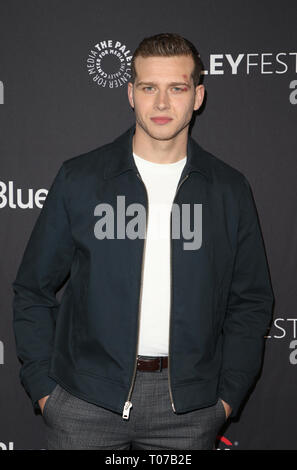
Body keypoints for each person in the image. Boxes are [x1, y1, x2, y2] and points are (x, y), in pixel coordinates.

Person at [12, 33, 274, 450]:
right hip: (84, 402)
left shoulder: (228, 190)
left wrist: (226, 399)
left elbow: (251, 301)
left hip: (189, 410)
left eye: (177, 88)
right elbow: (32, 289)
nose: (163, 103)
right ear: (131, 94)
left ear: (198, 96)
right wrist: (45, 390)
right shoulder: (80, 179)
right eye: (150, 87)